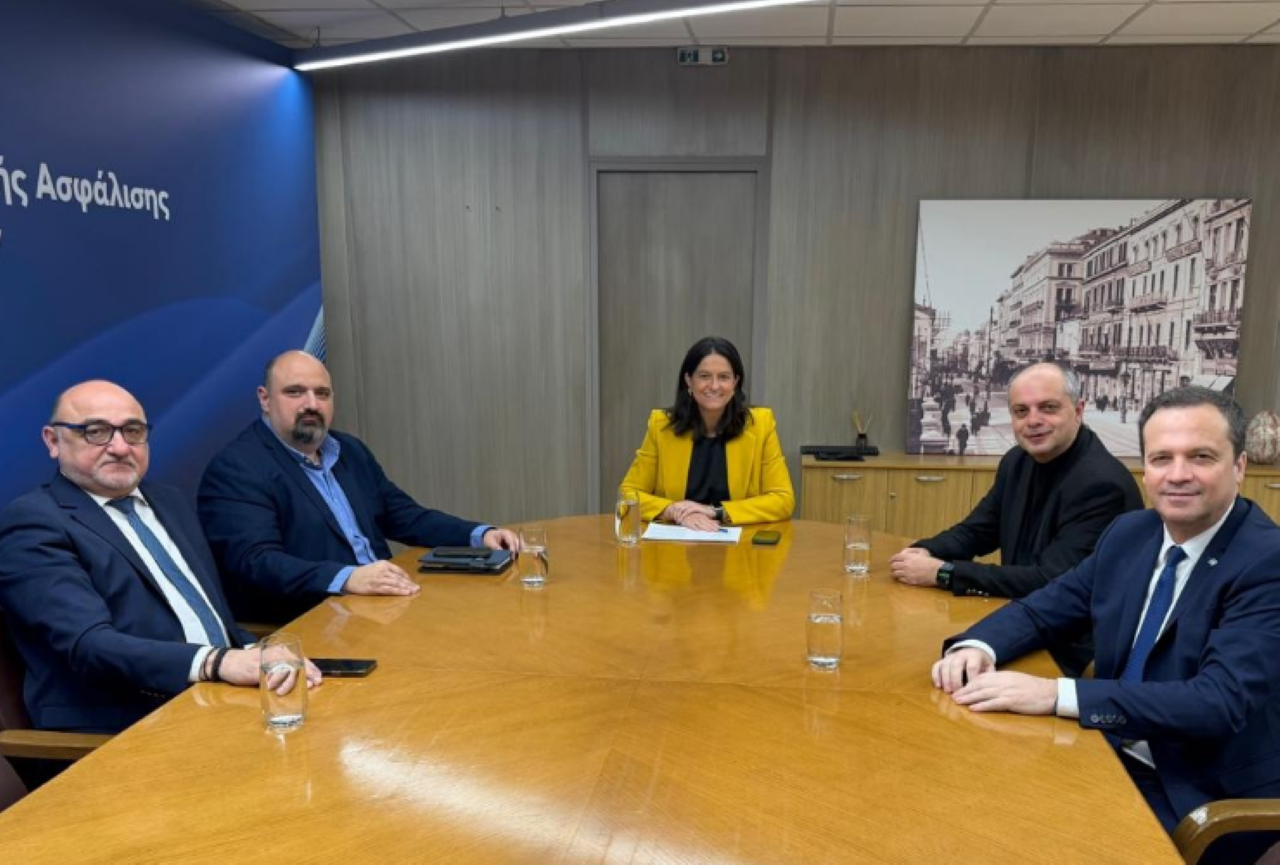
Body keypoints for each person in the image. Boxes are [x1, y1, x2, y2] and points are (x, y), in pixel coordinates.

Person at [931, 387, 1280, 865]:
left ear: (1239, 466)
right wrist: (978, 646)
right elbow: (1046, 607)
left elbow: (1216, 702)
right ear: (1146, 469)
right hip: (1106, 749)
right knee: (972, 808)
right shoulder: (1131, 533)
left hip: (1197, 790)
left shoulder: (1267, 561)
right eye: (1162, 458)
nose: (1178, 474)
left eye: (1201, 457)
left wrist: (1056, 694)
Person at [0, 381, 320, 735]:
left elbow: (208, 620)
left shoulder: (170, 502)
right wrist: (219, 662)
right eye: (96, 432)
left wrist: (263, 654)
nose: (120, 447)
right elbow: (90, 646)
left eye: (133, 431)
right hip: (121, 728)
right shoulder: (33, 522)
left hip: (220, 699)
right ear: (53, 441)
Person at [198, 351, 521, 623]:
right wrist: (347, 578)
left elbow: (404, 516)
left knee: (493, 621)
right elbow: (257, 562)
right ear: (265, 399)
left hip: (385, 607)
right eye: (295, 392)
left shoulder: (349, 450)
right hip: (315, 621)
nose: (311, 404)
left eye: (322, 394)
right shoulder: (237, 468)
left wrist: (479, 535)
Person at [889, 362, 1143, 675]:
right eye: (1021, 411)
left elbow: (1048, 581)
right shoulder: (1018, 460)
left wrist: (944, 573)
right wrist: (924, 550)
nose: (1033, 421)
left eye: (1048, 408)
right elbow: (978, 530)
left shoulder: (1101, 484)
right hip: (1022, 617)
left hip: (1070, 648)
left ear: (1078, 411)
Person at [620, 336, 794, 531]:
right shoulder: (661, 426)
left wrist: (715, 511)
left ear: (735, 382)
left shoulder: (760, 425)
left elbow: (783, 499)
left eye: (724, 377)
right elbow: (628, 493)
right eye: (704, 376)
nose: (714, 386)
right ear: (689, 380)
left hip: (741, 544)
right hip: (676, 542)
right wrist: (674, 511)